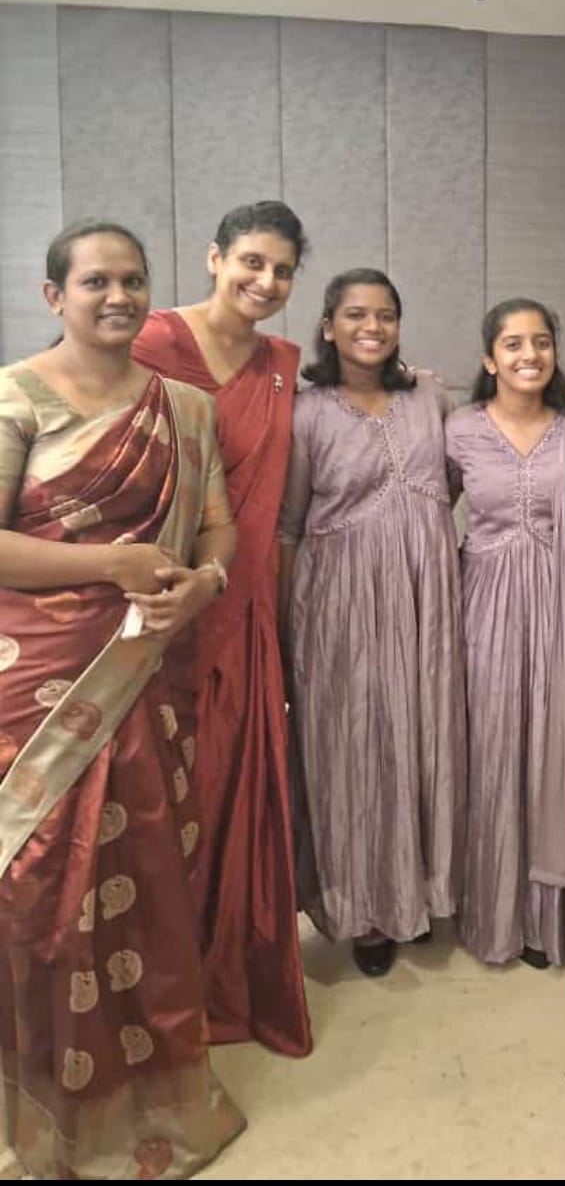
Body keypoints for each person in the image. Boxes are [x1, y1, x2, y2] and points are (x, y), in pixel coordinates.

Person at [0, 220, 244, 1178]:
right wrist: (112, 564)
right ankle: (44, 1113)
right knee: (36, 895)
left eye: (133, 280)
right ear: (54, 295)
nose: (118, 296)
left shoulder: (186, 408)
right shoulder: (15, 396)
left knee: (149, 884)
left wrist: (205, 585)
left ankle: (148, 1098)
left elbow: (217, 530)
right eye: (96, 281)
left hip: (147, 674)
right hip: (39, 687)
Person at [132, 200, 312, 1057]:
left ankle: (225, 980)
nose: (265, 282)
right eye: (251, 262)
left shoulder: (283, 363)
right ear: (214, 257)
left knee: (230, 796)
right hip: (160, 609)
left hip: (242, 611)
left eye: (282, 270)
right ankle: (151, 995)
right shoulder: (150, 342)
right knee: (162, 801)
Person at [278, 269, 465, 978]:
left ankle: (420, 892)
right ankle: (365, 911)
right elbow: (290, 526)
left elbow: (453, 488)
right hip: (340, 604)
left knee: (423, 737)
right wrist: (285, 627)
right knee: (354, 751)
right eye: (355, 314)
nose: (372, 327)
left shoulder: (431, 398)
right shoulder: (307, 412)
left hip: (425, 599)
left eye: (385, 314)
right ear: (328, 326)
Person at [445, 299, 565, 969]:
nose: (529, 355)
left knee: (559, 745)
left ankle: (548, 918)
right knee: (494, 747)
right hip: (484, 605)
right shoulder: (458, 430)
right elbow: (429, 513)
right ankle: (495, 910)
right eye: (513, 344)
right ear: (490, 359)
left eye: (541, 341)